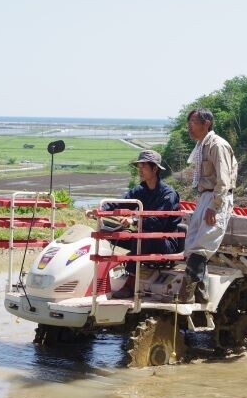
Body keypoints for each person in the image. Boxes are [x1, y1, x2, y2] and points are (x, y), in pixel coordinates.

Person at [85, 150, 180, 299]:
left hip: (165, 241)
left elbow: (158, 222)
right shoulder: (140, 190)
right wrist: (100, 210)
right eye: (139, 167)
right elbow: (121, 202)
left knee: (142, 236)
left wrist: (134, 220)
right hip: (144, 235)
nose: (140, 170)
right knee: (111, 233)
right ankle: (100, 276)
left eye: (144, 167)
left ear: (155, 169)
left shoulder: (168, 194)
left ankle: (130, 283)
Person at [180, 108, 238, 303]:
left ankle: (186, 294)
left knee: (203, 243)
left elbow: (224, 180)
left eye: (193, 123)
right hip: (206, 196)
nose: (190, 127)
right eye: (189, 123)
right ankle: (201, 293)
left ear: (206, 124)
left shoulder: (217, 145)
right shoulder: (202, 146)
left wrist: (214, 205)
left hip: (216, 198)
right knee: (192, 242)